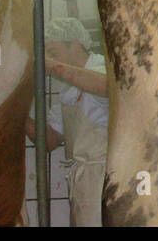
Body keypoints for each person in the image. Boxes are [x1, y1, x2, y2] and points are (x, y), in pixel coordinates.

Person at [24, 17, 109, 226]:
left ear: (75, 44)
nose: (51, 61)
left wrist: (53, 66)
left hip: (108, 177)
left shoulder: (103, 67)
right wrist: (18, 114)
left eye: (53, 52)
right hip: (83, 181)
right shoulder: (67, 92)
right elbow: (49, 140)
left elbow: (107, 88)